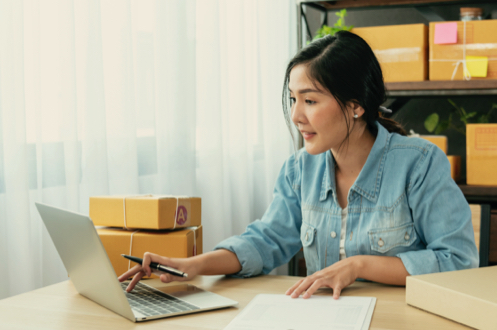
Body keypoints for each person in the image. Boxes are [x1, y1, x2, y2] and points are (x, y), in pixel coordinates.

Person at [118, 31, 478, 299]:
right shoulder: (298, 171)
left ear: (356, 105)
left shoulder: (419, 163)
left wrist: (359, 266)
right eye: (293, 99)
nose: (295, 115)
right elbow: (265, 241)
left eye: (310, 100)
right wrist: (192, 265)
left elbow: (459, 261)